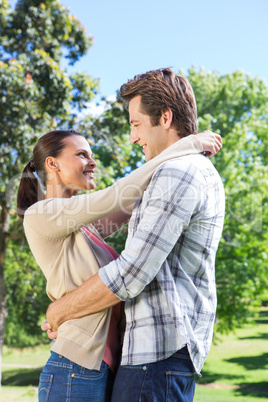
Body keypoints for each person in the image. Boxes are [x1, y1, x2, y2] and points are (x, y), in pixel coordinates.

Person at [43, 68, 225, 402]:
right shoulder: (180, 172)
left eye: (136, 124)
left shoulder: (178, 173)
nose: (133, 137)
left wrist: (60, 310)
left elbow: (130, 274)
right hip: (154, 355)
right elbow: (108, 218)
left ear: (165, 117)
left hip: (156, 355)